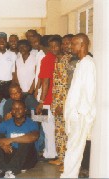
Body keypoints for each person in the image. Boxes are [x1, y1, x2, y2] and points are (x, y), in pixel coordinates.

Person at [61, 33, 96, 178]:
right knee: (72, 148)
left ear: (83, 45)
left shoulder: (88, 64)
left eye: (74, 43)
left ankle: (69, 176)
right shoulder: (81, 63)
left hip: (80, 115)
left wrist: (81, 113)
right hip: (75, 114)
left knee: (75, 149)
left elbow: (89, 91)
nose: (71, 46)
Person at [0, 100, 39, 178]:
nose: (17, 110)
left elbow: (34, 137)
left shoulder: (31, 123)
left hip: (27, 158)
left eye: (20, 108)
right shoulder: (7, 123)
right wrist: (1, 143)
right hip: (11, 154)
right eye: (14, 108)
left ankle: (11, 170)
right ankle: (0, 169)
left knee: (26, 140)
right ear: (11, 111)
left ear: (25, 110)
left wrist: (10, 140)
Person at [49, 35, 73, 169]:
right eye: (64, 43)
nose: (65, 46)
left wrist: (62, 105)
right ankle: (61, 157)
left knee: (66, 132)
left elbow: (66, 85)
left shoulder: (72, 60)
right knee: (59, 131)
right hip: (56, 98)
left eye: (68, 43)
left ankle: (67, 162)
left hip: (63, 101)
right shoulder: (62, 58)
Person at [35, 36, 59, 160]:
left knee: (47, 128)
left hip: (46, 101)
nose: (53, 48)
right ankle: (47, 151)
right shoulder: (56, 59)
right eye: (51, 46)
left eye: (56, 46)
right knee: (48, 127)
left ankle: (51, 154)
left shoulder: (46, 59)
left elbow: (45, 82)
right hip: (52, 100)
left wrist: (41, 101)